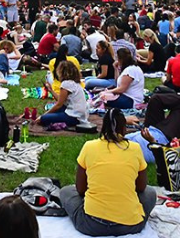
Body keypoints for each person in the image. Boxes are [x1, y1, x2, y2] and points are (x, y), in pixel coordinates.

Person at [58, 108, 158, 237]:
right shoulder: (135, 148)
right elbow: (141, 187)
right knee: (150, 192)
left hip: (91, 224)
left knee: (66, 191)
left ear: (103, 127)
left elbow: (80, 189)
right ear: (124, 129)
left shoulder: (89, 146)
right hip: (130, 226)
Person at [40, 61, 93, 129]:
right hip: (80, 115)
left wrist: (43, 116)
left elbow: (59, 104)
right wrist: (51, 91)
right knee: (54, 111)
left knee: (44, 118)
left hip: (74, 117)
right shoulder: (75, 83)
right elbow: (61, 100)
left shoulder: (66, 84)